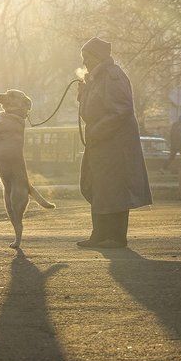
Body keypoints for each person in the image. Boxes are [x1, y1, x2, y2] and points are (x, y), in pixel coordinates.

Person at [76, 37, 152, 249]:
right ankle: (100, 235)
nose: (84, 62)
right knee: (99, 187)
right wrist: (83, 96)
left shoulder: (112, 75)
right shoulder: (96, 79)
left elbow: (121, 110)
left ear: (98, 57)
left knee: (114, 189)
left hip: (115, 145)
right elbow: (91, 113)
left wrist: (97, 131)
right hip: (101, 143)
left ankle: (116, 237)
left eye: (87, 57)